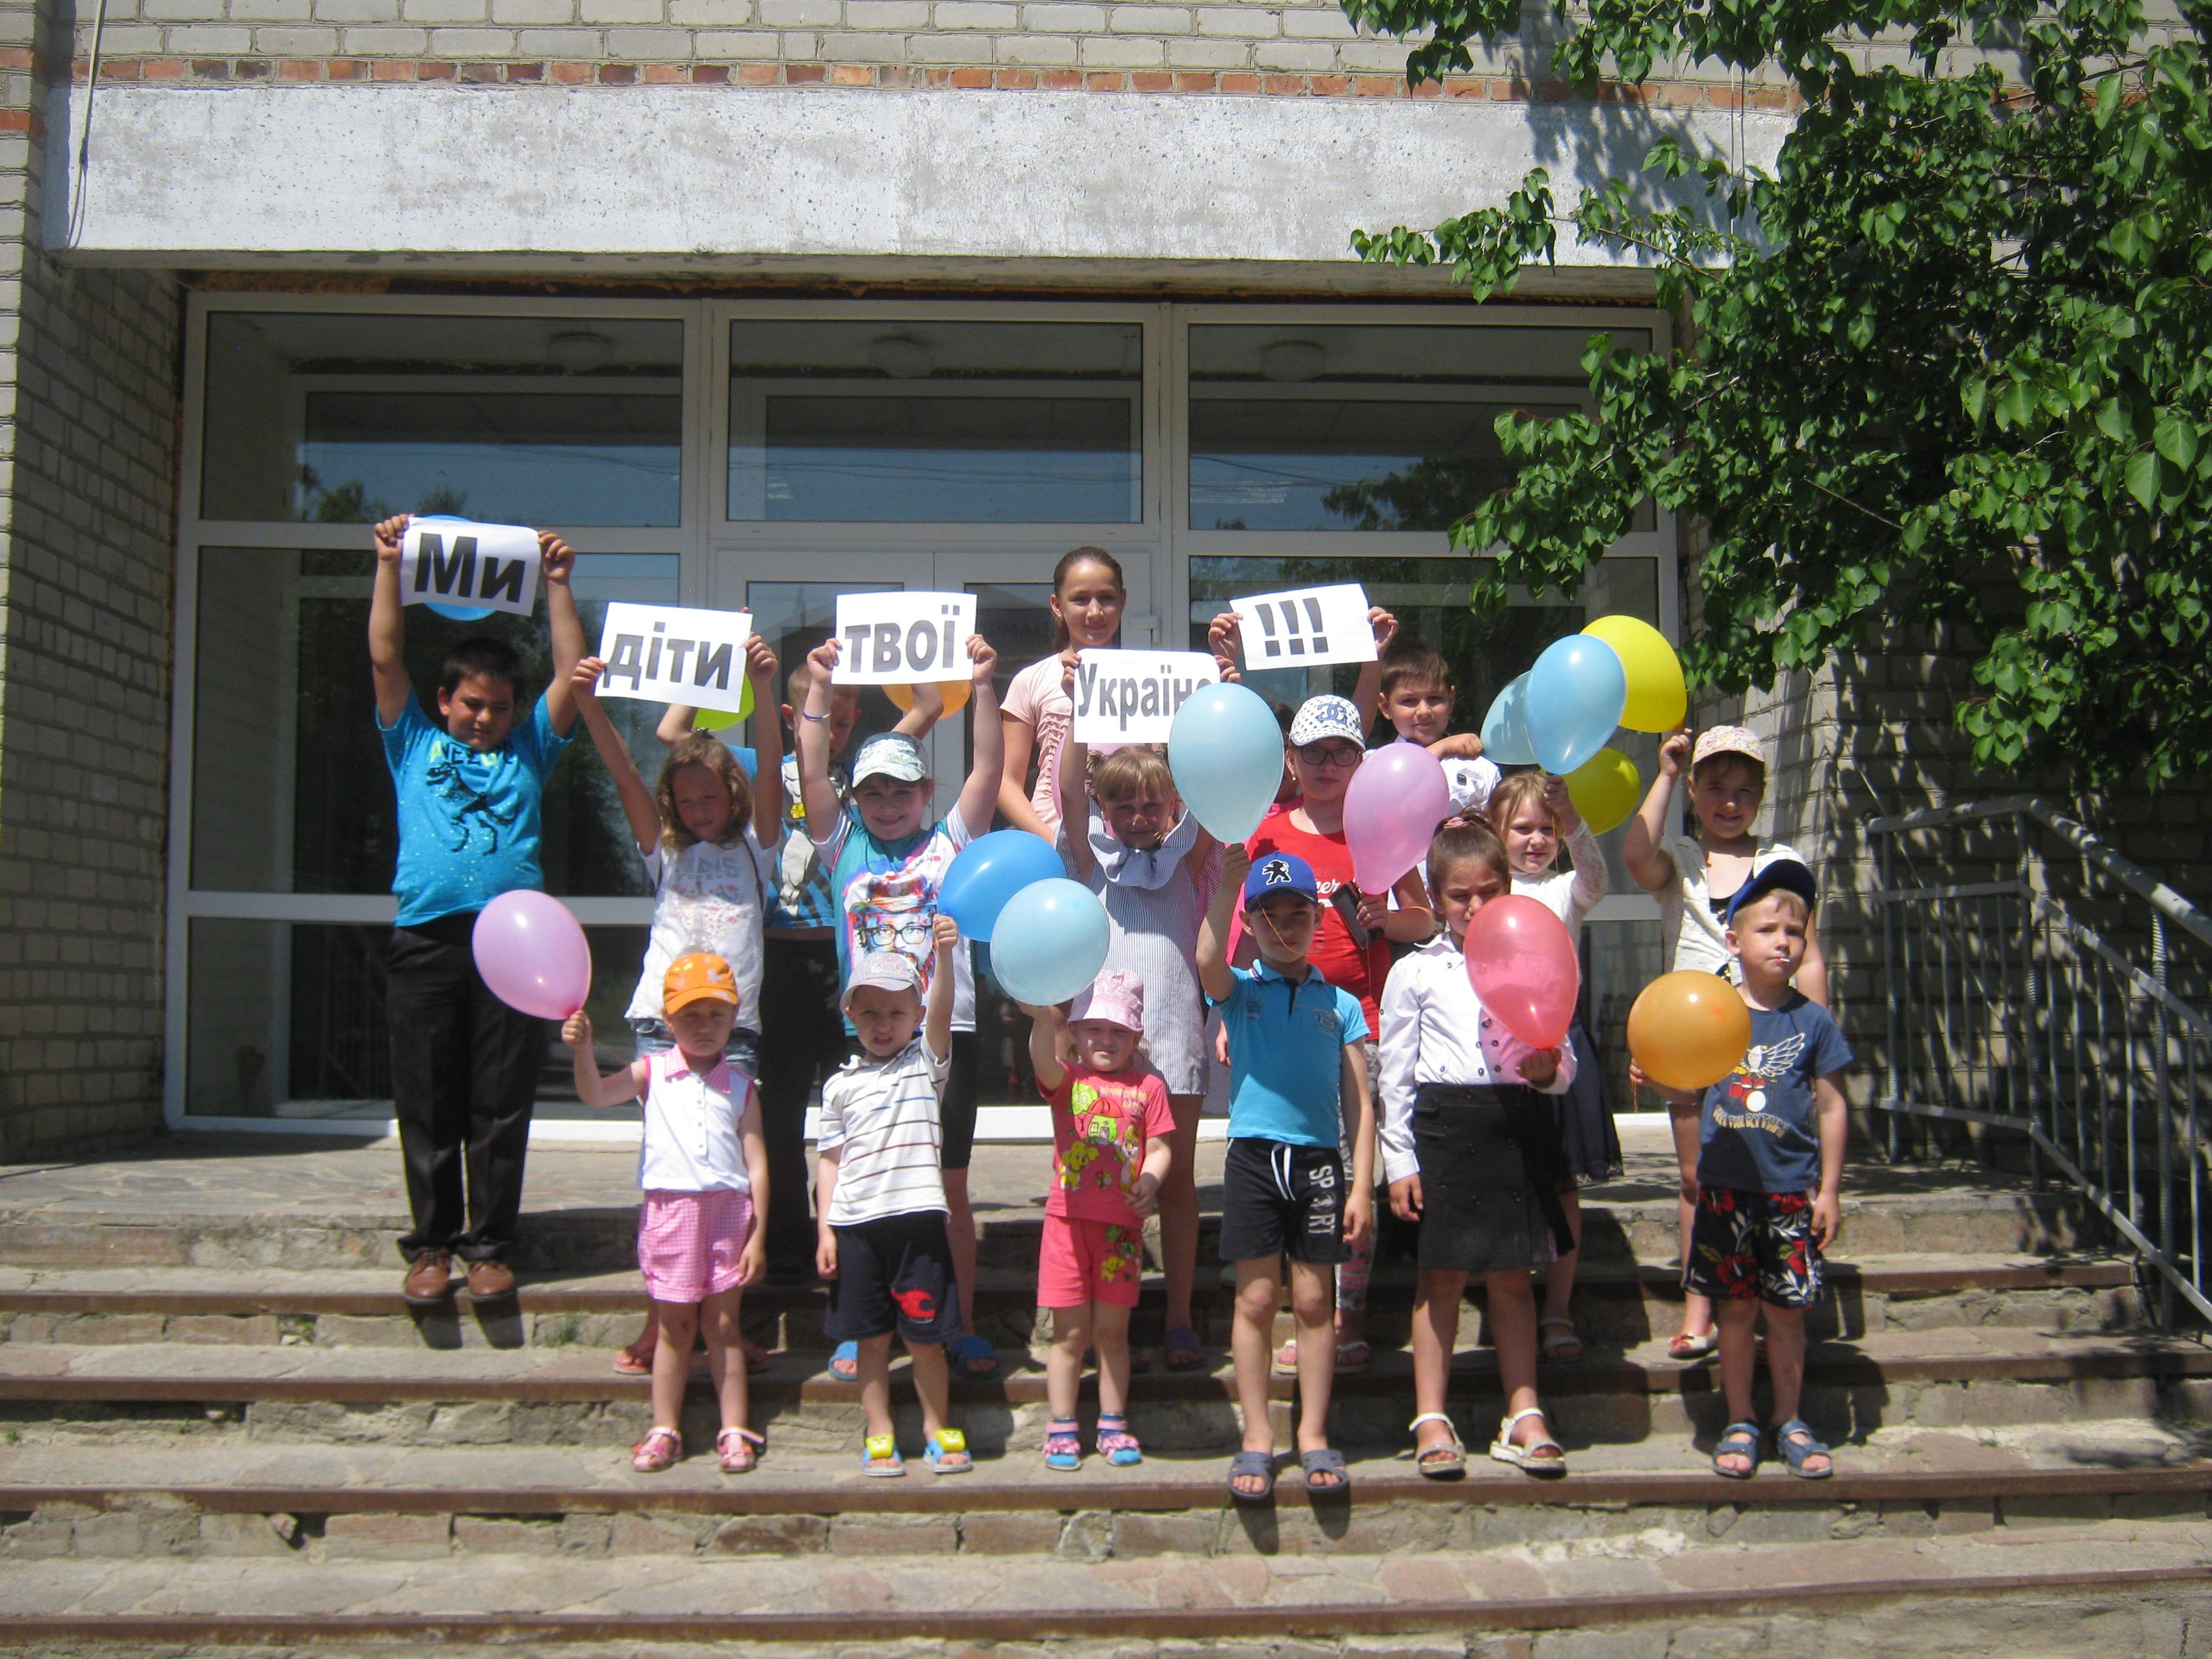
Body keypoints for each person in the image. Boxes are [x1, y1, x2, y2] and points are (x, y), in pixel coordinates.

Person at [660, 663, 945, 1294]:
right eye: (826, 721)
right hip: (781, 956)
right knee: (782, 1104)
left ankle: (851, 1234)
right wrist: (721, 661)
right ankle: (788, 1241)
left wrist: (908, 647)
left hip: (850, 963)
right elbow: (674, 735)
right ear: (794, 717)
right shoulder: (757, 765)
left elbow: (928, 706)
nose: (836, 734)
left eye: (845, 723)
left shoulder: (862, 774)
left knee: (855, 1099)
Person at [367, 513, 583, 1307]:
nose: (485, 718)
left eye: (498, 706)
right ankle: (431, 1246)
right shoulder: (413, 744)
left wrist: (557, 585)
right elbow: (385, 654)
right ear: (444, 700)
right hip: (426, 942)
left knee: (500, 1099)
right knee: (428, 1100)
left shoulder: (530, 749)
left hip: (513, 952)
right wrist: (388, 565)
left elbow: (572, 674)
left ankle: (490, 1244)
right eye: (471, 704)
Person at [568, 642, 783, 1379]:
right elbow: (626, 774)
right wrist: (590, 704)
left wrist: (764, 686)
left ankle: (726, 1324)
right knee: (673, 1171)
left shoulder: (758, 847)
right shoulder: (664, 850)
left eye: (710, 799)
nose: (698, 810)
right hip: (662, 1027)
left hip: (735, 1030)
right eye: (686, 801)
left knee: (728, 1176)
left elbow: (774, 776)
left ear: (732, 795)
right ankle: (661, 1320)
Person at [797, 629, 1004, 1384]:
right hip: (866, 1040)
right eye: (874, 793)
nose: (888, 805)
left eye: (902, 791)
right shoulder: (842, 846)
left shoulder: (951, 841)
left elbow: (989, 768)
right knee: (858, 1185)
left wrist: (983, 685)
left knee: (947, 1188)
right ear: (857, 800)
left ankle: (960, 1325)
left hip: (947, 1038)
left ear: (926, 793)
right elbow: (811, 771)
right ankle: (865, 1327)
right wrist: (819, 688)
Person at [1632, 859, 1849, 1480]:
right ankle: (1740, 1419)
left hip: (1790, 1194)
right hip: (1725, 1192)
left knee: (1786, 1314)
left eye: (1795, 932)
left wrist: (1830, 1191)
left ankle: (1790, 1419)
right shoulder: (1710, 1011)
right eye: (1767, 930)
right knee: (1733, 1313)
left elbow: (1832, 1106)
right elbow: (1690, 1092)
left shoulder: (1814, 1021)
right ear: (1733, 940)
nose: (1783, 943)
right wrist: (1658, 1079)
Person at [1626, 723, 1830, 1362]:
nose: (1730, 802)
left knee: (1768, 1175)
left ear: (1760, 796)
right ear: (1695, 791)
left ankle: (1770, 1297)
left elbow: (1810, 955)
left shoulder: (1782, 864)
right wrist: (1664, 773)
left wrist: (1815, 1034)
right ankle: (1700, 1307)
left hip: (1765, 1044)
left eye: (1744, 790)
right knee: (1697, 1177)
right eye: (1715, 788)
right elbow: (1636, 855)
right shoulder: (1683, 859)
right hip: (1689, 1042)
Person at [1381, 822, 1578, 1479]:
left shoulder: (1534, 962)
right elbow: (1395, 1076)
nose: (1474, 906)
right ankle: (1431, 1416)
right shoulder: (1415, 971)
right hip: (1444, 1130)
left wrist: (1550, 1072)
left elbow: (1562, 1058)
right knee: (1439, 1277)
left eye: (1489, 892)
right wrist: (1400, 1162)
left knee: (1513, 1276)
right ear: (1436, 897)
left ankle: (1524, 1413)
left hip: (1515, 1125)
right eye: (1459, 895)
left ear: (1508, 888)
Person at [1245, 695, 1433, 1374]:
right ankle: (1310, 1308)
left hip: (1362, 1028)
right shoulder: (1265, 833)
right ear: (1291, 760)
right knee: (1295, 1168)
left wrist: (1385, 920)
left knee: (1353, 1174)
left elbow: (1425, 920)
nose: (1328, 764)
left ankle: (1346, 1315)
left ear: (1362, 761)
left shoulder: (1378, 829)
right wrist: (1230, 1015)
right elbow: (1245, 931)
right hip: (1281, 1030)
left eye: (1342, 752)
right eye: (1314, 752)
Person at [1198, 844, 1375, 1503]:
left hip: (1319, 1164)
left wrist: (1362, 1185)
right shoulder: (1240, 991)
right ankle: (1256, 1435)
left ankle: (1314, 1432)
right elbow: (1207, 962)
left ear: (1319, 919)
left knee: (1313, 1302)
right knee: (1255, 1300)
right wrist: (1227, 890)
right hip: (1254, 1160)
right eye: (1269, 916)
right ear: (1251, 923)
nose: (1285, 927)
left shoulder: (1343, 1005)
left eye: (1297, 913)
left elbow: (1360, 1104)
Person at [563, 953, 769, 1473]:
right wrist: (583, 1050)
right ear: (668, 1020)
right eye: (690, 1016)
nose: (704, 1026)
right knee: (676, 1327)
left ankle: (734, 1428)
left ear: (734, 1017)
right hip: (671, 1213)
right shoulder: (651, 1072)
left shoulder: (742, 1087)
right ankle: (664, 1428)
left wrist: (758, 1235)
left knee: (724, 1326)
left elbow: (758, 1164)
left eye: (716, 1015)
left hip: (728, 1215)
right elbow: (595, 1094)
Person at [1057, 731, 1216, 1373]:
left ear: (1174, 802)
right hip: (1100, 1046)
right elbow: (1070, 794)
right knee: (1094, 1179)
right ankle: (1095, 1323)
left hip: (1173, 1037)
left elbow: (1217, 792)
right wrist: (1076, 717)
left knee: (1175, 1181)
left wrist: (1222, 697)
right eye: (1123, 805)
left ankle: (1179, 1316)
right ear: (1104, 807)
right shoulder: (1090, 857)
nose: (1139, 817)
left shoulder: (1187, 854)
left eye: (1152, 804)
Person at [816, 920, 973, 1475]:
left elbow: (943, 1012)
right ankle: (878, 1429)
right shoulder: (838, 1086)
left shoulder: (924, 1065)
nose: (884, 1025)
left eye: (896, 1013)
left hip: (918, 1228)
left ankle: (936, 1427)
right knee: (871, 1341)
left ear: (916, 1015)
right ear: (850, 1015)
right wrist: (825, 1230)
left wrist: (946, 957)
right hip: (857, 1229)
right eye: (870, 1013)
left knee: (927, 1341)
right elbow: (829, 1163)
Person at [1021, 973, 1175, 1470]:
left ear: (1136, 1036)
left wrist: (1150, 1180)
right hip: (1065, 1224)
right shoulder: (1068, 1080)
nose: (1106, 1040)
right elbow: (1042, 1059)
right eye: (1095, 1029)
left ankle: (1113, 1423)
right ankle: (1062, 1426)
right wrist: (1042, 1018)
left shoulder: (1149, 1087)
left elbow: (1160, 1147)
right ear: (1076, 1033)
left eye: (1119, 1031)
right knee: (1068, 1335)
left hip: (1121, 1230)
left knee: (1111, 1334)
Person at [1488, 769, 1616, 1362]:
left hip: (1560, 1042)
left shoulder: (1565, 890)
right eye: (1521, 828)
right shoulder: (1487, 893)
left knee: (1562, 1185)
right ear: (1496, 832)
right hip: (1498, 1049)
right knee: (1507, 1180)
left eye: (1546, 829)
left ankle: (1558, 1308)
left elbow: (1598, 880)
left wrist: (1576, 820)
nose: (1536, 840)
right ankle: (1508, 1298)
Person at [999, 547, 1128, 842]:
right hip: (1052, 836)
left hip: (1132, 844)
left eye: (1106, 598)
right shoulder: (1031, 680)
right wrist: (1051, 842)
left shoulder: (1150, 677)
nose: (1095, 612)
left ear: (1123, 600)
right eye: (1080, 599)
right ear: (1057, 605)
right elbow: (1005, 782)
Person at [1374, 638, 1499, 817]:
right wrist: (1442, 748)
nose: (1424, 711)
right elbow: (1387, 800)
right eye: (1409, 701)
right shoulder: (1375, 763)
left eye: (1434, 698)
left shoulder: (1481, 769)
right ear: (1386, 707)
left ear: (1451, 699)